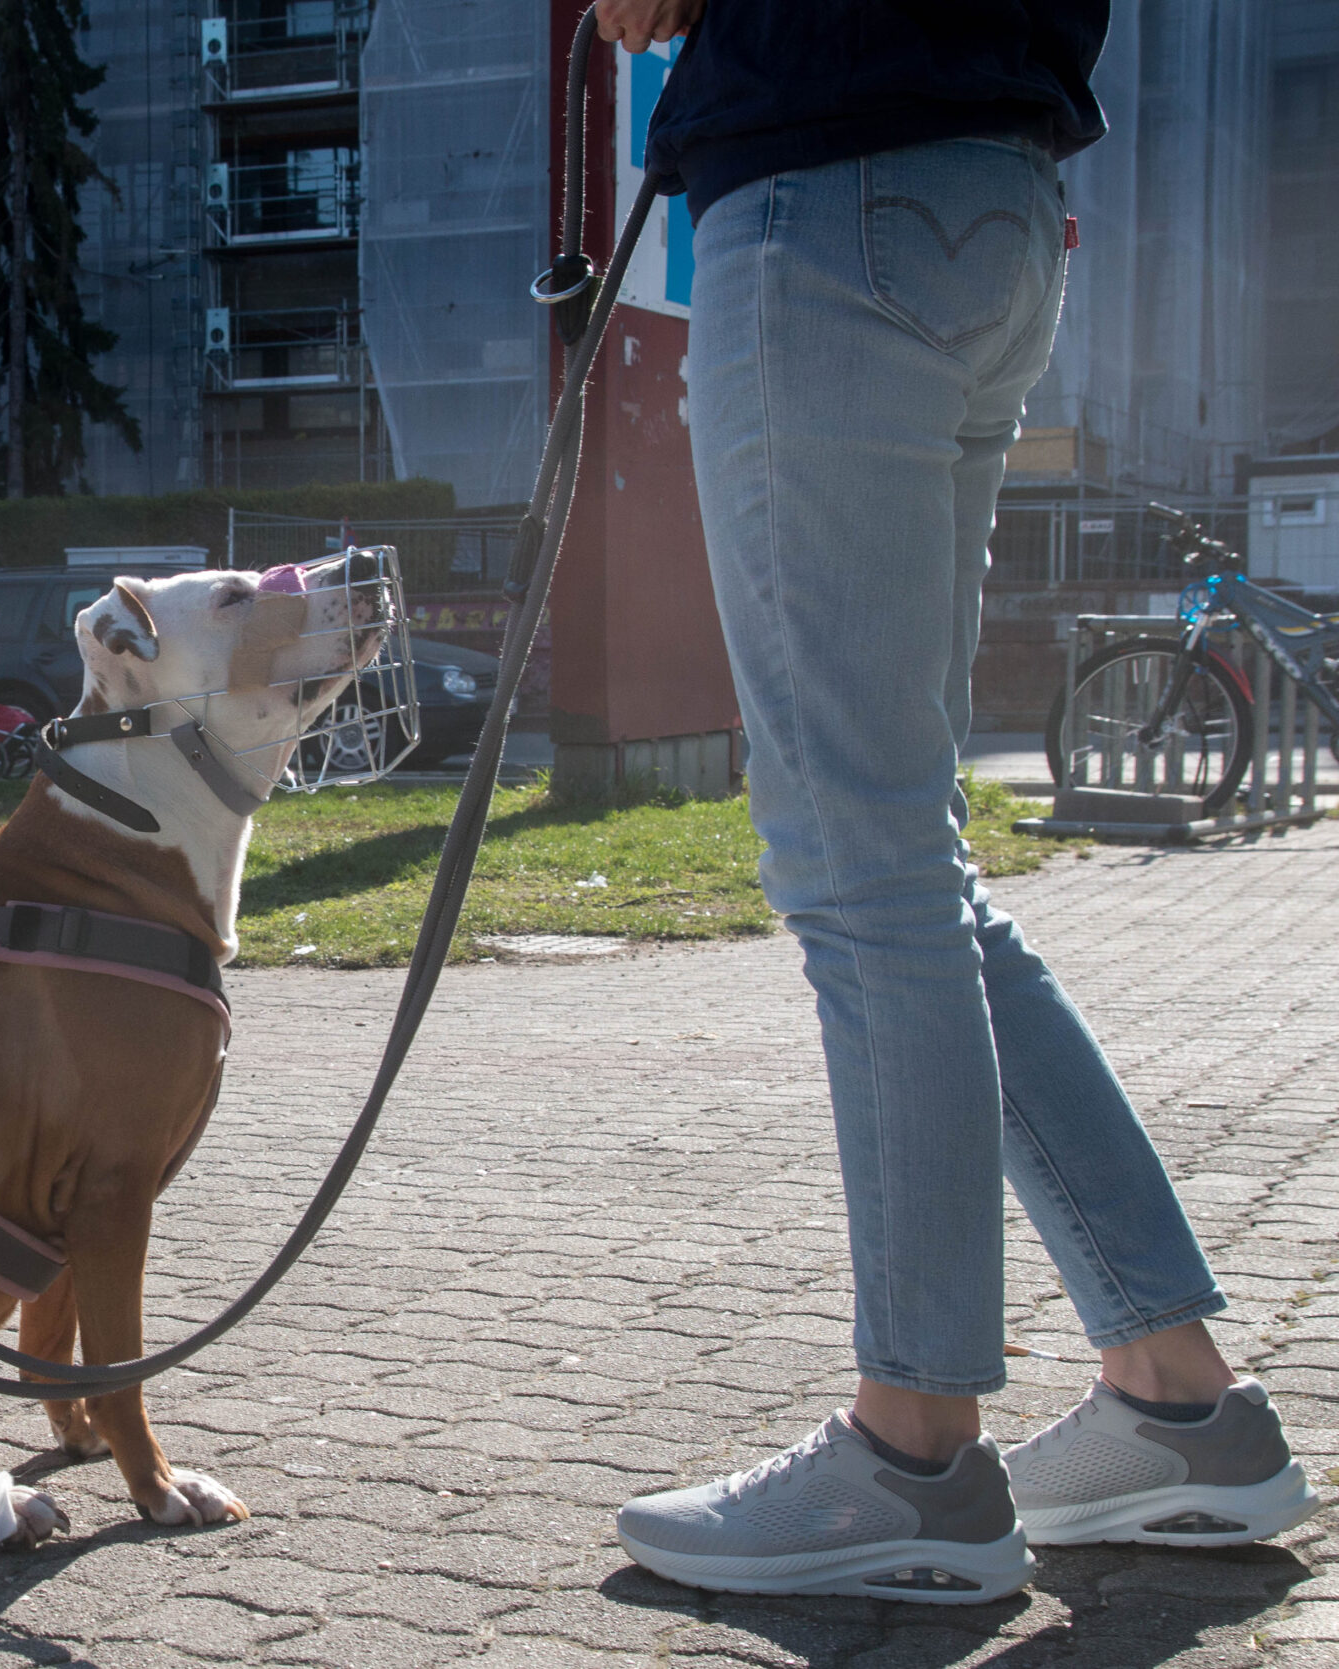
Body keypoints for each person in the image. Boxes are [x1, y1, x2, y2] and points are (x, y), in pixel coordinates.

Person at [594, 0, 1318, 1602]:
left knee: (864, 872)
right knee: (911, 870)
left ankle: (912, 1451)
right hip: (987, 198)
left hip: (831, 187)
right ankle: (1177, 1400)